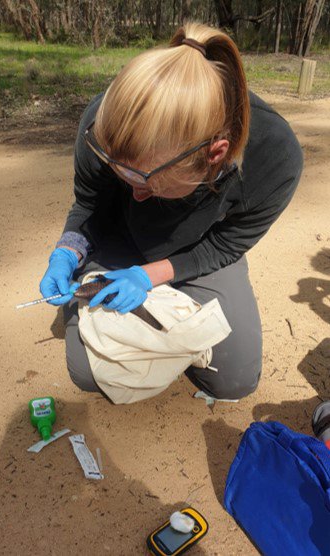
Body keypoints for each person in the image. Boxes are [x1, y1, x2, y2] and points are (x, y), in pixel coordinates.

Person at [40, 22, 303, 401]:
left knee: (234, 380)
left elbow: (226, 246)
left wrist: (149, 276)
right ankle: (95, 276)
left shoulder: (275, 158)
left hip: (201, 245)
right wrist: (68, 251)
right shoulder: (103, 126)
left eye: (147, 182)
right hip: (122, 236)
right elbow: (90, 204)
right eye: (120, 173)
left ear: (216, 155)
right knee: (89, 373)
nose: (135, 193)